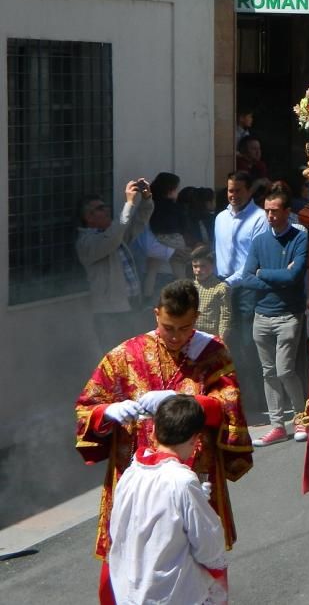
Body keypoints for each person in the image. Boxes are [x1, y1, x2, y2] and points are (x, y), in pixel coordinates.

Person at [74, 279, 252, 604]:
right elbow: (86, 408)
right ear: (156, 314)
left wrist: (185, 401)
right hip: (134, 479)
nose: (175, 337)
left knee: (196, 553)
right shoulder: (124, 356)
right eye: (168, 327)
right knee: (128, 556)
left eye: (184, 328)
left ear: (196, 319)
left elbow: (230, 404)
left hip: (192, 478)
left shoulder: (212, 353)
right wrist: (108, 412)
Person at [107, 395, 229, 605]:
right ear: (194, 439)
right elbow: (208, 545)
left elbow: (119, 528)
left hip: (130, 589)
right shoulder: (182, 481)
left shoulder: (130, 472)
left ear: (153, 431)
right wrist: (198, 503)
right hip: (170, 592)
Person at [241, 182, 309, 445]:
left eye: (274, 211)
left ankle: (301, 418)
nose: (270, 215)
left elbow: (295, 276)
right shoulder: (259, 241)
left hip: (288, 315)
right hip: (262, 314)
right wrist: (274, 278)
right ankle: (277, 425)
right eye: (267, 210)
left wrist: (264, 274)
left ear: (287, 212)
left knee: (284, 371)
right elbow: (247, 278)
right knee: (268, 373)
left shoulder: (300, 237)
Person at [77, 179, 155, 352]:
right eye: (99, 208)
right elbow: (114, 236)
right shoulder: (88, 242)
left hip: (131, 306)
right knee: (116, 360)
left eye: (104, 206)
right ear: (88, 217)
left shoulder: (114, 236)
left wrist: (146, 198)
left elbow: (138, 222)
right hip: (110, 314)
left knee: (135, 358)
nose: (106, 210)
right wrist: (128, 203)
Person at [214, 171, 268, 410]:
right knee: (224, 344)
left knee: (247, 344)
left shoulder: (259, 218)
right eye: (229, 190)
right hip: (222, 285)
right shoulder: (220, 218)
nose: (232, 195)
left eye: (237, 190)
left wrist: (229, 283)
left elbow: (252, 260)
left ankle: (255, 400)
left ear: (248, 191)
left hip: (245, 288)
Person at [191, 245, 232, 340]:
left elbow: (225, 316)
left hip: (210, 337)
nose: (198, 270)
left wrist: (221, 339)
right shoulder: (190, 286)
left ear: (212, 266)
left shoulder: (221, 288)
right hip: (191, 335)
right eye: (195, 266)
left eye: (203, 266)